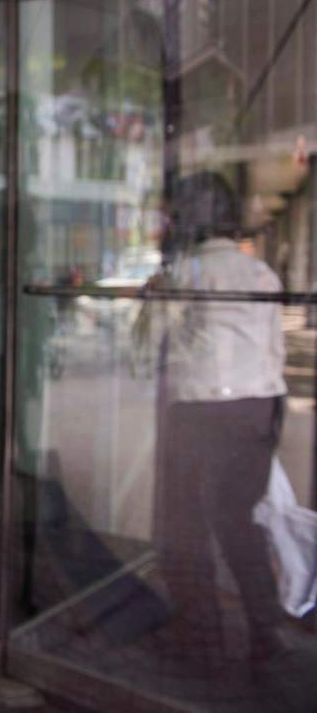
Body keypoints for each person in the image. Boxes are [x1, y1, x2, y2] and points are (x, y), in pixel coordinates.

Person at [156, 171, 289, 666]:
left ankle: (199, 636)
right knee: (240, 524)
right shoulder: (263, 274)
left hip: (200, 407)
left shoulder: (187, 273)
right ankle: (264, 632)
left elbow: (154, 346)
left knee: (186, 523)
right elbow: (274, 349)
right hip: (260, 406)